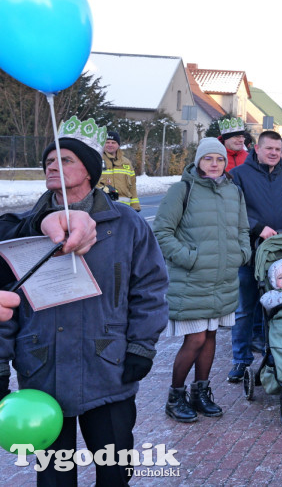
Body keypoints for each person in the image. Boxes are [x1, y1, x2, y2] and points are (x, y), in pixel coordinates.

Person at [0, 116, 168, 486]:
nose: (52, 166)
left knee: (114, 472)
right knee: (55, 478)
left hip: (107, 367)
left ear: (90, 171)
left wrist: (141, 345)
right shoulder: (25, 229)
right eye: (48, 161)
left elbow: (150, 288)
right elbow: (7, 303)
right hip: (42, 370)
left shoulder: (126, 224)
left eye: (66, 159)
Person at [153, 137, 250, 423]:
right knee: (194, 339)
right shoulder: (181, 190)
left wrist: (241, 254)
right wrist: (189, 258)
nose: (215, 164)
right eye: (209, 158)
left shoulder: (233, 192)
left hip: (223, 279)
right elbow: (161, 233)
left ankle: (201, 393)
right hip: (191, 280)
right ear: (198, 161)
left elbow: (242, 228)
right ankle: (175, 395)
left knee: (209, 338)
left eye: (219, 159)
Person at [227, 130, 282, 384]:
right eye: (269, 148)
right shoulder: (239, 175)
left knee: (275, 305)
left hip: (280, 254)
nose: (274, 153)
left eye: (277, 149)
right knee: (245, 309)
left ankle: (273, 355)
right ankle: (240, 361)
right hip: (249, 251)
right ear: (257, 149)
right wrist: (256, 227)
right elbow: (233, 209)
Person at [98, 130, 140, 211]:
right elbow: (90, 183)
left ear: (118, 145)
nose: (110, 145)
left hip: (125, 208)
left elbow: (132, 186)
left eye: (113, 142)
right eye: (107, 142)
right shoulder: (97, 160)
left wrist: (135, 206)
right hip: (104, 206)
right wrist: (104, 189)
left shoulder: (126, 162)